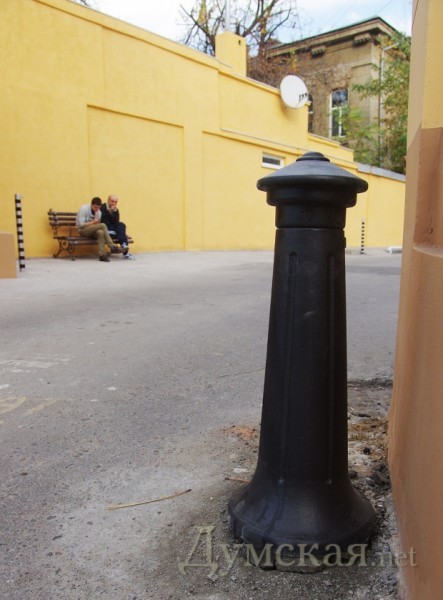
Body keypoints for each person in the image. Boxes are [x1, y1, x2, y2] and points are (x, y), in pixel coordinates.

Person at [76, 197, 122, 262]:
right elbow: (81, 225)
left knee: (100, 232)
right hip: (82, 230)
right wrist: (93, 222)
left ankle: (102, 255)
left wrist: (95, 222)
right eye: (95, 207)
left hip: (92, 230)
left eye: (98, 208)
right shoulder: (84, 209)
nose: (96, 209)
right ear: (91, 204)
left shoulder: (99, 212)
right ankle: (112, 246)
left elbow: (96, 225)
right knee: (103, 225)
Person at [100, 194, 135, 259]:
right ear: (108, 201)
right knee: (121, 233)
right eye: (112, 201)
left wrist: (113, 212)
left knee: (121, 225)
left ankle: (124, 245)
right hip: (105, 229)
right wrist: (109, 212)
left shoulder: (116, 210)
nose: (114, 203)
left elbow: (116, 222)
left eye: (115, 202)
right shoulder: (102, 207)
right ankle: (126, 253)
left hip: (112, 229)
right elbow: (103, 220)